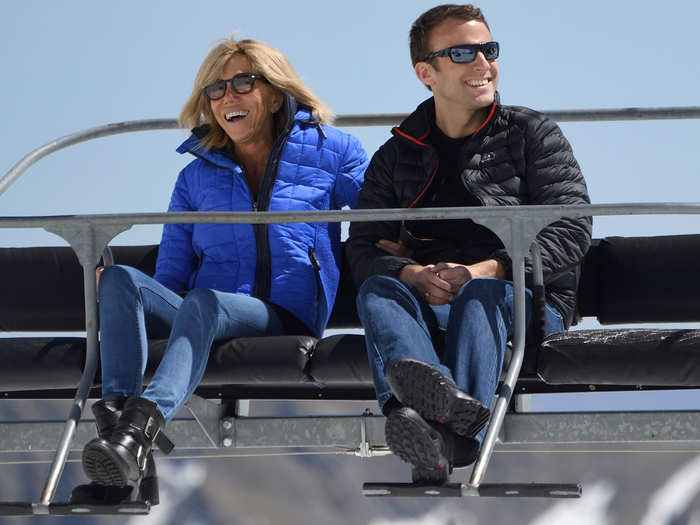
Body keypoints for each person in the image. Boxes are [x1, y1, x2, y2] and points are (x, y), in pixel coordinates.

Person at [77, 37, 368, 503]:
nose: (227, 97)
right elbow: (172, 270)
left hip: (283, 313)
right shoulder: (196, 176)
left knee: (204, 302)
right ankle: (120, 442)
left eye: (242, 83)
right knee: (118, 280)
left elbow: (384, 214)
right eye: (215, 90)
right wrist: (132, 304)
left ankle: (138, 429)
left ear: (274, 93)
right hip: (204, 310)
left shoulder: (332, 151)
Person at [346, 4, 591, 484]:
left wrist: (485, 270)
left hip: (524, 300)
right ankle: (432, 421)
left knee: (477, 295)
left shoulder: (531, 135)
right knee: (379, 289)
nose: (483, 63)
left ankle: (435, 430)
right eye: (462, 53)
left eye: (489, 49)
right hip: (434, 297)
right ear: (426, 73)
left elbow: (573, 229)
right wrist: (411, 274)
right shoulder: (396, 155)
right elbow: (361, 248)